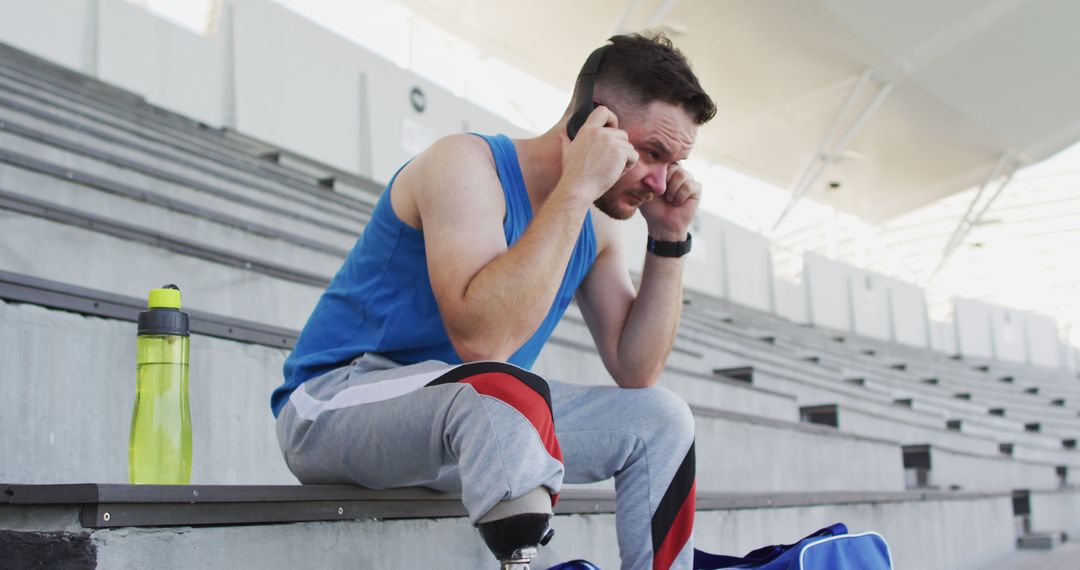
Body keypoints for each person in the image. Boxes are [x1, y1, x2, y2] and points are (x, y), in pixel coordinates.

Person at [270, 32, 716, 569]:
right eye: (651, 153)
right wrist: (574, 188)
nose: (661, 181)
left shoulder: (598, 224)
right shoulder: (464, 165)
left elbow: (636, 369)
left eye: (673, 164)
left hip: (472, 426)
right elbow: (483, 339)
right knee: (502, 390)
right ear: (591, 125)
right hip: (335, 408)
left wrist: (669, 240)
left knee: (661, 417)